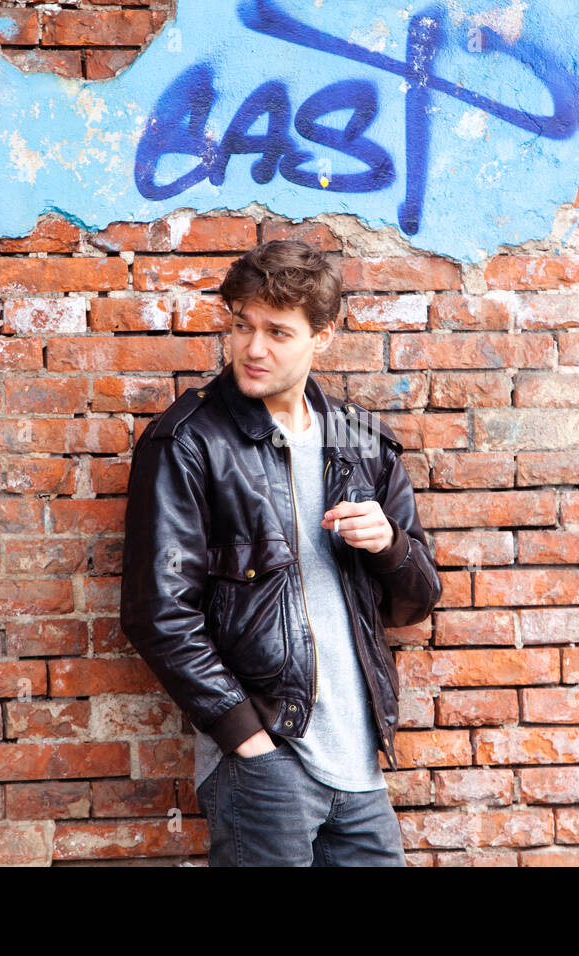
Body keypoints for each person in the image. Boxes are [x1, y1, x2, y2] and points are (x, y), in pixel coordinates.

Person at [120, 239, 442, 866]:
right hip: (267, 763)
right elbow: (157, 612)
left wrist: (389, 544)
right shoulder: (188, 441)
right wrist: (246, 740)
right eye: (241, 325)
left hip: (357, 762)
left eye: (277, 331)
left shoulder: (361, 442)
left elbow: (417, 600)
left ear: (322, 335)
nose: (253, 347)